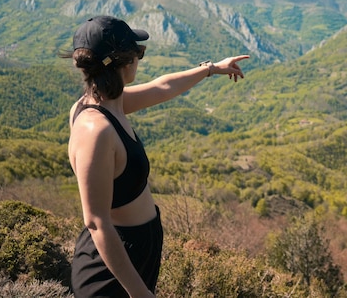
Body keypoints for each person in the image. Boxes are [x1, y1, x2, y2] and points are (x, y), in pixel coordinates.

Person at [63, 15, 249, 297]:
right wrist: (140, 293)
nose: (139, 59)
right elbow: (96, 222)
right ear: (125, 61)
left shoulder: (109, 103)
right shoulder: (95, 130)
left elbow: (163, 88)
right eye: (138, 53)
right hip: (109, 272)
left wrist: (212, 69)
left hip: (134, 257)